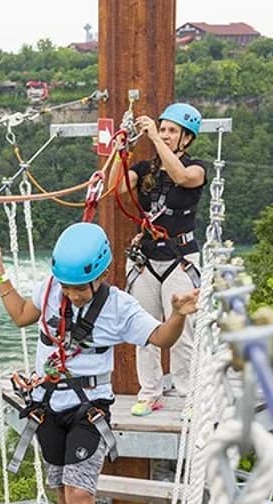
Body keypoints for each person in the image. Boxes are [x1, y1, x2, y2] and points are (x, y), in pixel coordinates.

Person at [0, 222, 198, 504]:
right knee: (61, 491)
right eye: (67, 287)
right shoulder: (51, 289)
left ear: (100, 276)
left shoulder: (118, 307)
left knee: (80, 495)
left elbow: (160, 338)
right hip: (47, 406)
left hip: (88, 409)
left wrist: (176, 314)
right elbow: (21, 316)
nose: (71, 294)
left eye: (79, 288)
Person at [110, 102, 207, 416]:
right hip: (147, 259)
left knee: (183, 332)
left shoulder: (196, 168)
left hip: (180, 258)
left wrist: (152, 136)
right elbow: (116, 188)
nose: (164, 135)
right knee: (145, 330)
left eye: (171, 131)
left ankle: (188, 395)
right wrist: (120, 152)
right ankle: (150, 391)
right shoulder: (144, 170)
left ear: (186, 138)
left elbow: (181, 176)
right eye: (163, 129)